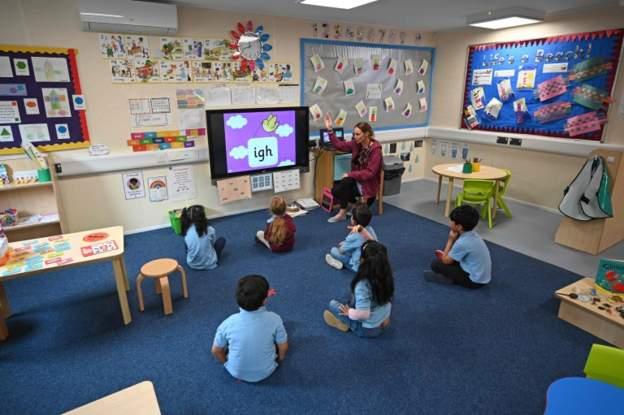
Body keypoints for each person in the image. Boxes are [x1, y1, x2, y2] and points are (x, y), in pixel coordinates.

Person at [211, 275, 288, 382]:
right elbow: (283, 346)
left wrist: (225, 363)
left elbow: (216, 351)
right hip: (267, 370)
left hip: (235, 371)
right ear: (265, 300)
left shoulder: (227, 323)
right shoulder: (275, 319)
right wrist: (280, 359)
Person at [323, 241, 394, 337]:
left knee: (332, 304)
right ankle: (350, 315)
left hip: (367, 329)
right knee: (354, 297)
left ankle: (346, 324)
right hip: (384, 321)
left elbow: (364, 314)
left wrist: (349, 312)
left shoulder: (362, 285)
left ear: (363, 261)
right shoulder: (386, 274)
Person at [323, 113, 382, 223]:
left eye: (358, 134)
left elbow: (370, 173)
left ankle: (342, 212)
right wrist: (330, 130)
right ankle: (353, 205)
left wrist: (351, 174)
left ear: (367, 134)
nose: (355, 137)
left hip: (367, 187)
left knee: (346, 182)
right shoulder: (356, 144)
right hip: (357, 181)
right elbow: (339, 145)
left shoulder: (375, 150)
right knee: (335, 190)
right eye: (354, 134)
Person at [425, 205, 492, 289]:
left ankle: (449, 279)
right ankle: (452, 271)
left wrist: (450, 240)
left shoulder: (462, 243)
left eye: (452, 221)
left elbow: (445, 261)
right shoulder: (474, 235)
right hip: (482, 276)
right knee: (451, 259)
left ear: (459, 226)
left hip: (474, 281)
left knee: (435, 264)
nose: (450, 223)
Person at [325, 203, 377, 272]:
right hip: (373, 263)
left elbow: (341, 250)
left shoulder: (354, 236)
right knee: (355, 249)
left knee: (333, 250)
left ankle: (341, 264)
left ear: (353, 220)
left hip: (360, 267)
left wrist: (345, 243)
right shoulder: (370, 229)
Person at [181, 205, 226, 270]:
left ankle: (194, 256)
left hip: (192, 264)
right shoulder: (210, 229)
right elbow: (212, 244)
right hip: (210, 264)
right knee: (222, 240)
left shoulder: (187, 230)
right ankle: (212, 259)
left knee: (187, 242)